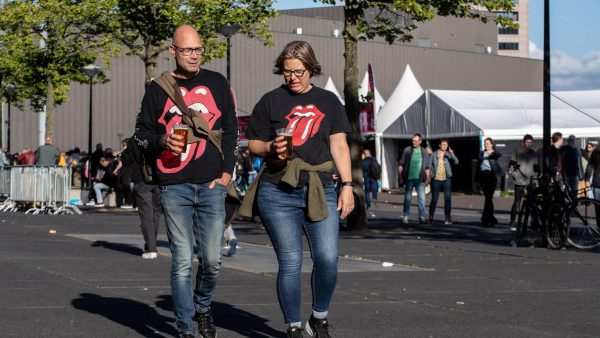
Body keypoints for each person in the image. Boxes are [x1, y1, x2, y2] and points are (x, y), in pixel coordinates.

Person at [242, 40, 353, 338]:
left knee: (328, 259)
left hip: (321, 186)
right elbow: (252, 143)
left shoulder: (328, 101)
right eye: (287, 71)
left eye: (299, 71)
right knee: (291, 261)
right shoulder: (270, 101)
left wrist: (347, 185)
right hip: (277, 191)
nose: (293, 77)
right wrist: (268, 147)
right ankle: (293, 327)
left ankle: (318, 319)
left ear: (311, 69)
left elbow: (339, 144)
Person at [134, 25, 237, 338]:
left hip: (211, 184)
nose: (194, 55)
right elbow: (140, 136)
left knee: (212, 259)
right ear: (173, 51)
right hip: (174, 185)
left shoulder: (217, 82)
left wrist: (226, 173)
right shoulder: (157, 89)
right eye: (187, 50)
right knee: (181, 260)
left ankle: (202, 306)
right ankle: (185, 329)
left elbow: (231, 130)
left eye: (198, 49)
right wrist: (162, 141)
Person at [122, 137, 162, 259]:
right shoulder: (158, 136)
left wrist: (125, 151)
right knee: (155, 213)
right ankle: (150, 244)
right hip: (159, 179)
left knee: (146, 214)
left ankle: (151, 247)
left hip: (141, 179)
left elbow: (126, 161)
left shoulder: (134, 141)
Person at [398, 133, 430, 224]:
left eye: (416, 141)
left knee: (422, 199)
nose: (413, 142)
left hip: (420, 179)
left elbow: (427, 166)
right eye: (412, 141)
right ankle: (405, 216)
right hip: (409, 178)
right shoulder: (407, 150)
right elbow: (401, 164)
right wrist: (400, 177)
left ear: (420, 141)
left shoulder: (424, 152)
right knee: (407, 198)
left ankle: (422, 217)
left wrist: (428, 178)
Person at [508, 134, 539, 228]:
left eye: (530, 142)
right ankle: (513, 220)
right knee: (517, 202)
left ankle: (533, 222)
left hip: (530, 181)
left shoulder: (534, 153)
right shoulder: (516, 152)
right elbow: (511, 165)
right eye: (527, 142)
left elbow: (536, 167)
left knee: (533, 202)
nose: (528, 144)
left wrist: (535, 177)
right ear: (523, 143)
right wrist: (514, 175)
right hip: (519, 181)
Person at [427, 138, 459, 225]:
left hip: (446, 179)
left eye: (446, 145)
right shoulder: (433, 155)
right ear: (439, 145)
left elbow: (456, 162)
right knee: (434, 199)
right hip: (436, 179)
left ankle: (447, 218)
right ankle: (430, 217)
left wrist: (452, 153)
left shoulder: (448, 154)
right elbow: (429, 166)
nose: (444, 146)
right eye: (443, 144)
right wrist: (428, 178)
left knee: (448, 199)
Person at [476, 137, 502, 227]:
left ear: (491, 144)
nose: (486, 145)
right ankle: (491, 218)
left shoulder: (494, 153)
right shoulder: (481, 153)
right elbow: (478, 166)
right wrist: (476, 179)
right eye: (485, 143)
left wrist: (492, 152)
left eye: (487, 143)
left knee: (489, 197)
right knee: (488, 198)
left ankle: (485, 219)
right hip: (483, 176)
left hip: (491, 176)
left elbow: (499, 154)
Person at [561, 135, 584, 200]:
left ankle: (573, 207)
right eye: (570, 140)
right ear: (568, 141)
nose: (572, 141)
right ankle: (566, 207)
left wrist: (581, 175)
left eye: (573, 140)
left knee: (574, 192)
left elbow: (580, 163)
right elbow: (560, 161)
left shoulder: (577, 150)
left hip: (575, 175)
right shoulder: (564, 149)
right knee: (565, 192)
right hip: (565, 175)